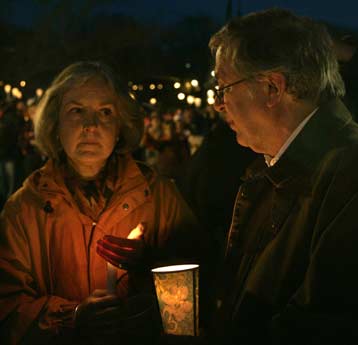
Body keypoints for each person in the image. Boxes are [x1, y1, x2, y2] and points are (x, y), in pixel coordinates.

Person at [206, 8, 358, 345]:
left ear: (272, 88)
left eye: (224, 87)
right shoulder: (279, 169)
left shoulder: (356, 165)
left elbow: (342, 321)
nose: (218, 104)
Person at [0, 61, 206, 345]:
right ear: (55, 123)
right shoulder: (23, 211)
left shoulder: (159, 196)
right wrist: (70, 318)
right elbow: (7, 310)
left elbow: (199, 285)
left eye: (105, 112)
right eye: (76, 111)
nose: (90, 126)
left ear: (120, 126)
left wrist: (149, 270)